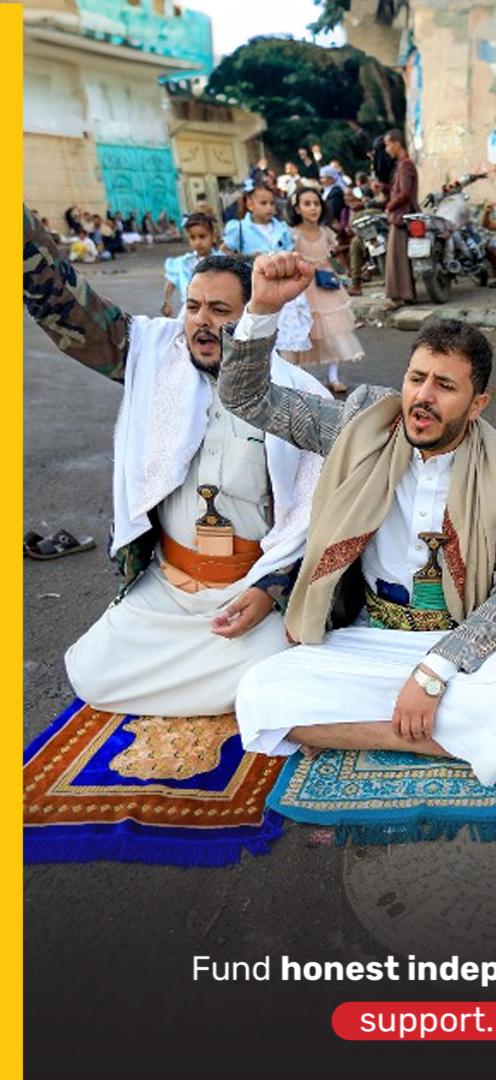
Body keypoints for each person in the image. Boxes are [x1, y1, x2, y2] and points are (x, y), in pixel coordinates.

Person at [218, 259, 496, 786]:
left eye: (445, 386)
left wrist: (433, 673)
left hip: (460, 643)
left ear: (477, 403)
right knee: (259, 689)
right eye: (417, 378)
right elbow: (245, 397)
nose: (423, 397)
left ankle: (388, 720)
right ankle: (443, 739)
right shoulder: (361, 426)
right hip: (369, 634)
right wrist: (261, 309)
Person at [22, 207, 327, 717]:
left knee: (275, 674)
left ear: (255, 316)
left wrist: (271, 590)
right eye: (192, 307)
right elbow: (67, 306)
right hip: (168, 588)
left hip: (245, 596)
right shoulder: (151, 354)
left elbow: (319, 522)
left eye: (220, 311)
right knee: (89, 673)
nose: (201, 323)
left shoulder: (296, 398)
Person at [287, 184, 366, 395]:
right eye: (307, 204)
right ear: (297, 209)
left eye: (316, 204)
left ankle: (333, 376)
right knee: (302, 332)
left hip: (326, 285)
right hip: (302, 288)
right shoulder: (292, 234)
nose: (313, 208)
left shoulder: (326, 232)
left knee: (333, 331)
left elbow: (333, 253)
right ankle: (297, 377)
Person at [221, 180, 313, 359]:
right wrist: (247, 258)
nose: (269, 208)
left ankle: (287, 375)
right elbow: (223, 252)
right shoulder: (239, 227)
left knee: (287, 338)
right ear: (250, 204)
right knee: (259, 332)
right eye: (263, 203)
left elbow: (291, 250)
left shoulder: (281, 228)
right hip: (254, 289)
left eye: (272, 203)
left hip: (282, 287)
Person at [383, 128, 419, 309]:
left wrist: (389, 206)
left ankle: (400, 296)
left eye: (388, 145)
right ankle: (406, 295)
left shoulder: (405, 165)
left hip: (401, 216)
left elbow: (405, 193)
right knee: (400, 258)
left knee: (397, 258)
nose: (387, 149)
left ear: (396, 143)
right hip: (402, 214)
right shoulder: (404, 165)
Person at [161, 212, 219, 317]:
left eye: (202, 236)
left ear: (213, 236)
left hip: (216, 306)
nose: (197, 242)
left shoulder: (221, 260)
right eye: (193, 237)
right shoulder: (184, 262)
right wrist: (167, 302)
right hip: (190, 308)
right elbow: (170, 283)